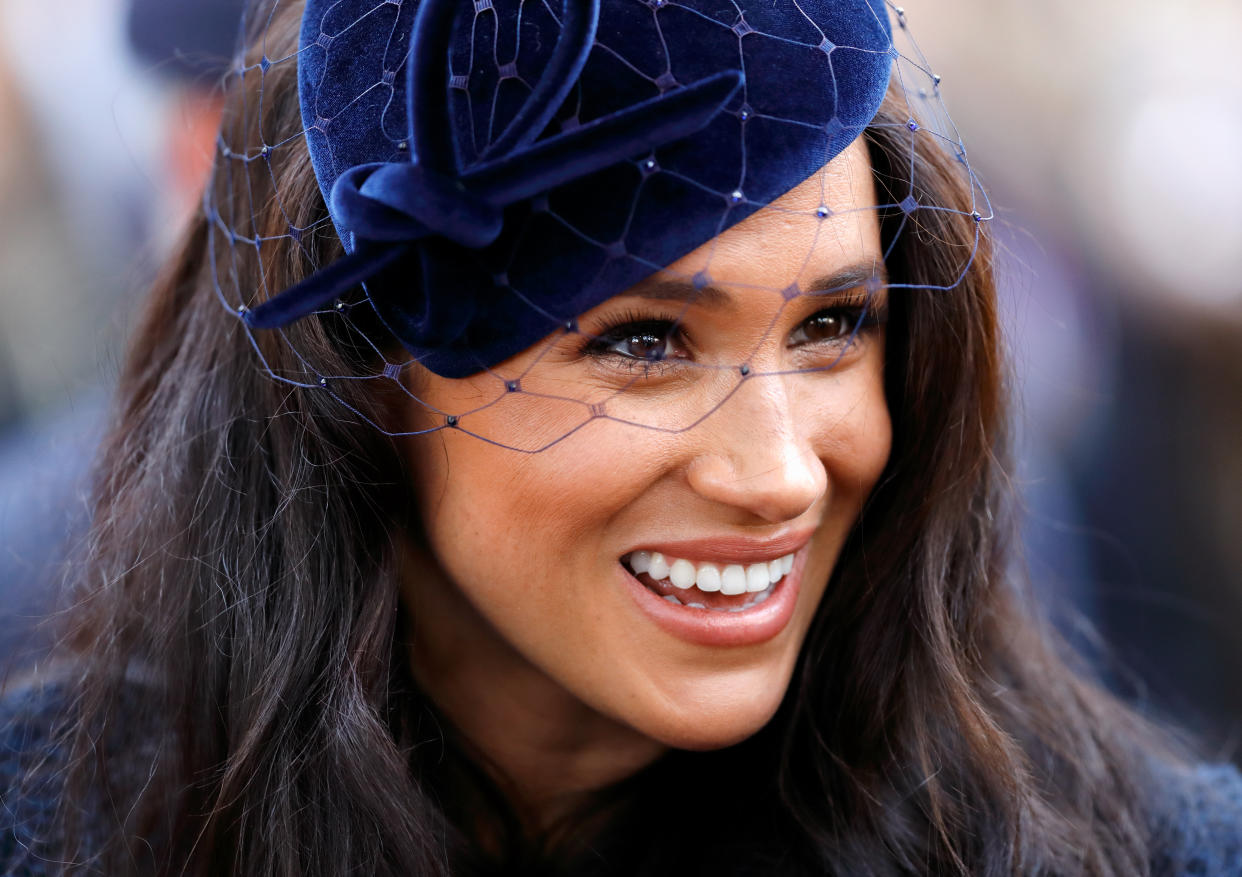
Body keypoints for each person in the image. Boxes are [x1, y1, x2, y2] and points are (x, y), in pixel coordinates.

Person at [3, 0, 1241, 874]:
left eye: (835, 324)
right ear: (360, 381)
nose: (780, 473)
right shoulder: (55, 826)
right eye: (643, 342)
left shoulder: (1127, 850)